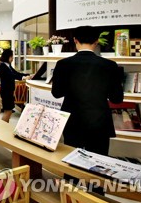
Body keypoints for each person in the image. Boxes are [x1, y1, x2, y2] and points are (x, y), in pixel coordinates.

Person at [52, 25, 124, 156]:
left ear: (75, 40)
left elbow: (56, 93)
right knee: (98, 163)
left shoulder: (63, 64)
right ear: (96, 41)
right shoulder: (110, 65)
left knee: (70, 161)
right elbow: (117, 98)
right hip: (99, 122)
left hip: (72, 121)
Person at [0, 49, 31, 123]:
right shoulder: (2, 66)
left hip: (9, 91)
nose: (13, 58)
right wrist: (23, 78)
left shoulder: (8, 65)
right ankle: (3, 127)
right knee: (8, 111)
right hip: (6, 92)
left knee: (9, 111)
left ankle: (5, 127)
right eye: (12, 57)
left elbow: (16, 73)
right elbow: (12, 75)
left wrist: (27, 75)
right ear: (9, 57)